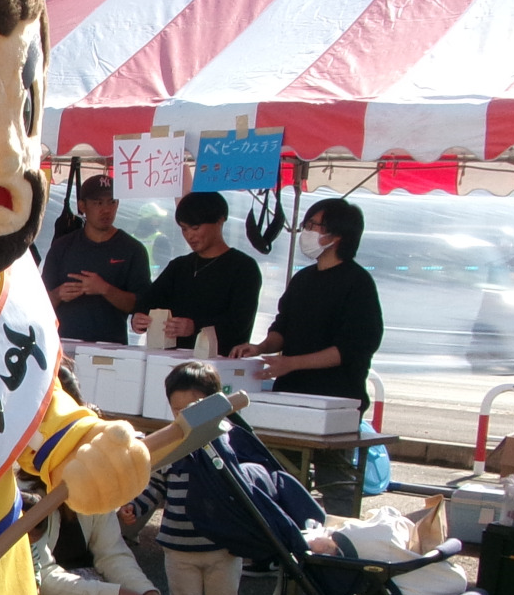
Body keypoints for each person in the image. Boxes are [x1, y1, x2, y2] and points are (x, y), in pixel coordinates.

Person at [232, 197, 384, 517]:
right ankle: (283, 542)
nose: (306, 232)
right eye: (307, 225)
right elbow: (282, 329)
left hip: (337, 400)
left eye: (313, 226)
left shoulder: (358, 283)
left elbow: (350, 349)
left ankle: (338, 551)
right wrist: (259, 347)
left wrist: (292, 362)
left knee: (334, 481)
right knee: (280, 475)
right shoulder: (303, 279)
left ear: (336, 235)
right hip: (291, 396)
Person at [29, 367, 164, 595]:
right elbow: (42, 576)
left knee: (126, 591)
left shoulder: (93, 473)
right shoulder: (23, 490)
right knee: (99, 588)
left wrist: (145, 590)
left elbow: (111, 550)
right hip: (37, 590)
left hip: (72, 583)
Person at [125, 361, 243, 595]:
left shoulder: (228, 440)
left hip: (222, 546)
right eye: (177, 410)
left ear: (215, 402)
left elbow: (243, 489)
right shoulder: (171, 443)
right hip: (178, 546)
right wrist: (135, 507)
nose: (183, 417)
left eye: (191, 409)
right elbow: (155, 484)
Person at [129, 191, 263, 354]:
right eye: (184, 229)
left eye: (195, 227)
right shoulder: (179, 267)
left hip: (221, 362)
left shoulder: (243, 267)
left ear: (220, 221)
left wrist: (195, 326)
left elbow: (239, 323)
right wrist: (138, 317)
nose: (190, 235)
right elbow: (149, 300)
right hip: (173, 361)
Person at [42, 173, 153, 344]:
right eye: (98, 203)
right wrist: (58, 294)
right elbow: (39, 302)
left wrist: (104, 289)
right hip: (63, 344)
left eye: (112, 202)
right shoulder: (62, 247)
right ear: (82, 206)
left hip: (112, 349)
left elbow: (140, 305)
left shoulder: (133, 250)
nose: (106, 210)